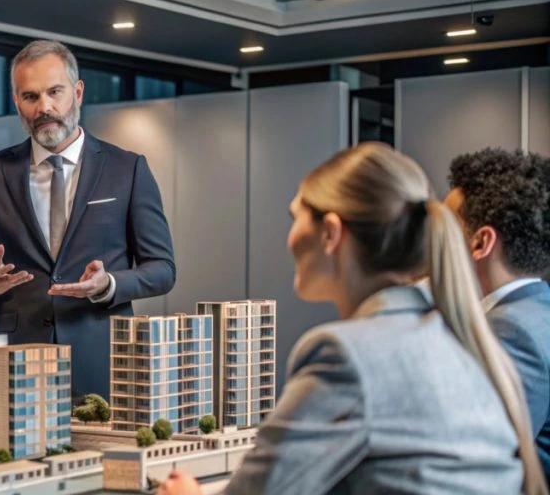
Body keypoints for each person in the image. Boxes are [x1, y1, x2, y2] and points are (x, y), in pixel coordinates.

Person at [157, 142, 545, 495]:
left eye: (296, 216)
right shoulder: (460, 337)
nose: (289, 236)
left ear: (330, 233)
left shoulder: (345, 354)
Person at [0, 40, 175, 398]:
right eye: (31, 96)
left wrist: (109, 284)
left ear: (77, 92)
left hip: (104, 356)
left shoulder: (127, 169)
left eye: (55, 92)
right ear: (17, 101)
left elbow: (162, 269)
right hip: (17, 358)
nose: (44, 107)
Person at [444, 147, 550, 480]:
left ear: (480, 243)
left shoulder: (509, 330)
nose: (434, 242)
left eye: (445, 229)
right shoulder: (538, 310)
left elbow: (477, 467)